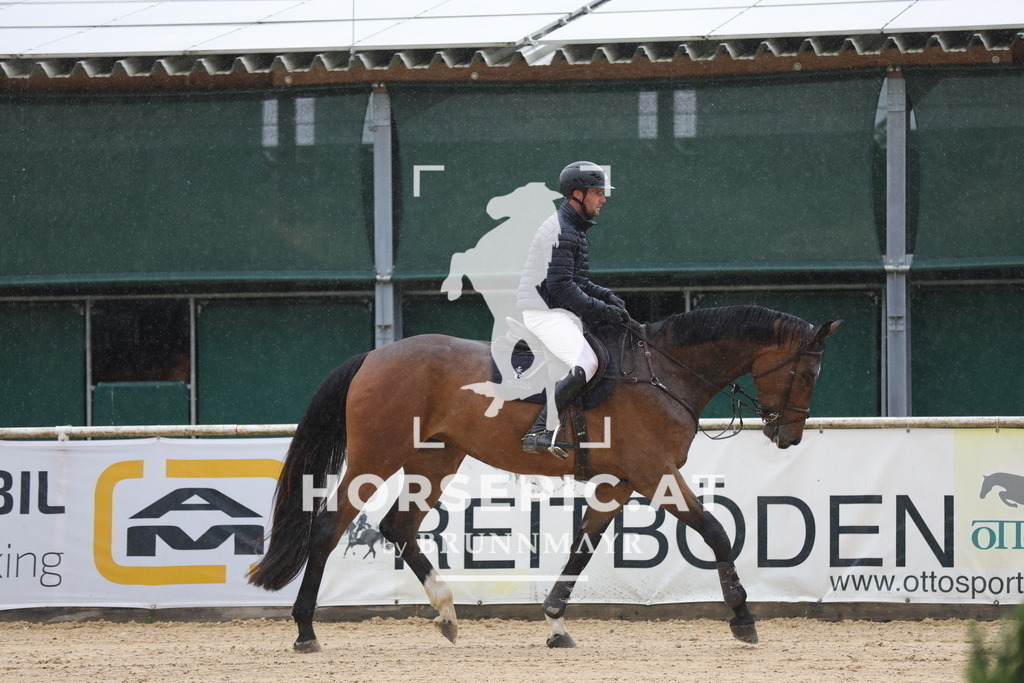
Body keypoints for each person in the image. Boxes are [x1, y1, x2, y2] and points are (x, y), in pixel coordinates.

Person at [516, 161, 629, 458]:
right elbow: (562, 288)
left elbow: (578, 280)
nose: (603, 199)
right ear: (578, 194)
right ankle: (537, 431)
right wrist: (603, 311)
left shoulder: (573, 227)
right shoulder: (563, 230)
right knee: (588, 363)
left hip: (555, 309)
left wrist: (608, 297)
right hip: (543, 311)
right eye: (597, 193)